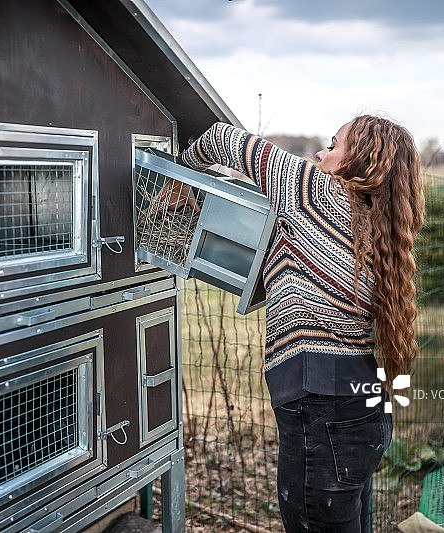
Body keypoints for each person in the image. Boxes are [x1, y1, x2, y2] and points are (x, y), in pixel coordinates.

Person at [178, 116, 424, 532]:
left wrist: (178, 174)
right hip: (362, 410)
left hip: (323, 413)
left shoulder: (315, 192)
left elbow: (220, 136)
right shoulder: (377, 226)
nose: (319, 154)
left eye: (333, 145)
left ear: (360, 160)